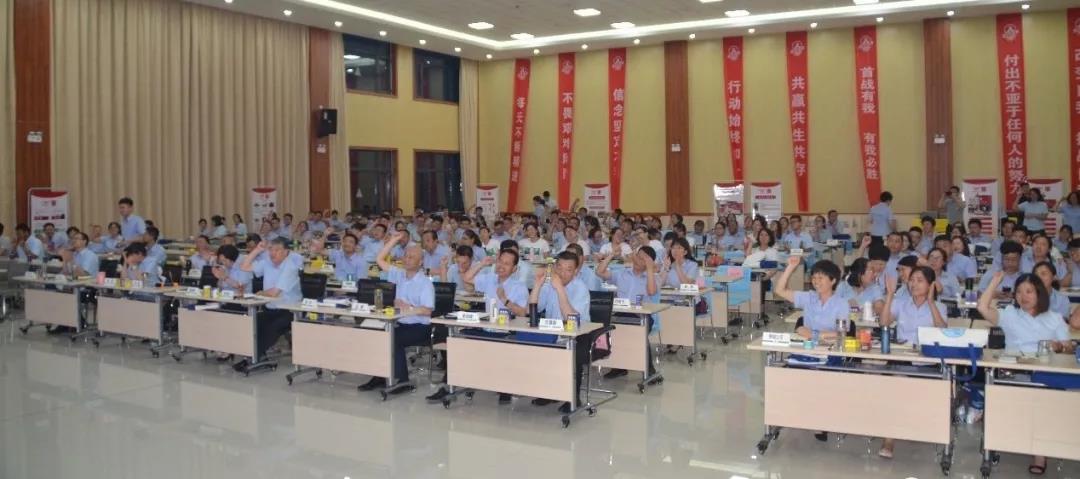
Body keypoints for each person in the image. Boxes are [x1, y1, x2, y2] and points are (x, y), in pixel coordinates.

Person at [975, 270, 1074, 475]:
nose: (1023, 296)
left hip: (1045, 375)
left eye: (1029, 291)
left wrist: (1059, 346)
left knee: (1045, 403)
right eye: (1019, 292)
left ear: (1039, 293)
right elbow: (982, 307)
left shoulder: (1054, 318)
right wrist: (994, 282)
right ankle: (999, 442)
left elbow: (1069, 348)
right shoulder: (1010, 314)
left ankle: (1040, 453)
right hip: (1014, 372)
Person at [427, 249, 531, 404]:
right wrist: (481, 264)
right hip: (487, 327)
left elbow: (523, 313)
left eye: (507, 264)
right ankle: (448, 386)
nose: (501, 266)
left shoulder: (519, 286)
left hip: (506, 332)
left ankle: (505, 388)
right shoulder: (490, 279)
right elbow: (467, 278)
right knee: (459, 345)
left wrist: (505, 300)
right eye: (500, 261)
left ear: (514, 268)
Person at [876, 265, 947, 458]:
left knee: (904, 390)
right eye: (912, 280)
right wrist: (890, 296)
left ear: (931, 285)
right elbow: (883, 323)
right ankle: (889, 439)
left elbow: (943, 331)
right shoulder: (901, 303)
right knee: (895, 389)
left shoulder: (939, 306)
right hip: (902, 358)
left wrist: (931, 303)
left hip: (928, 361)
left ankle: (914, 427)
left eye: (920, 280)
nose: (914, 284)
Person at [358, 232, 435, 395]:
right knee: (378, 335)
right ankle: (380, 376)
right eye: (406, 256)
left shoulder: (425, 283)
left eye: (412, 257)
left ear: (420, 262)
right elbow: (379, 260)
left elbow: (427, 310)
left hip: (420, 327)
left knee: (393, 338)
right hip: (399, 323)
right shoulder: (399, 274)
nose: (407, 259)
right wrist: (393, 240)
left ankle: (402, 380)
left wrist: (409, 308)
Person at [527, 251, 592, 414]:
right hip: (552, 333)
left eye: (568, 269)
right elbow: (532, 309)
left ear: (575, 271)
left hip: (578, 335)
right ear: (555, 267)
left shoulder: (580, 288)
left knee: (572, 352)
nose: (563, 273)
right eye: (560, 268)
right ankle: (550, 393)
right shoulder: (549, 285)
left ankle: (573, 398)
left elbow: (571, 320)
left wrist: (560, 289)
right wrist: (537, 284)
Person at [238, 238, 303, 372]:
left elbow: (274, 293)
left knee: (271, 328)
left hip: (288, 311)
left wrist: (260, 293)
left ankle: (254, 357)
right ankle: (254, 356)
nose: (273, 253)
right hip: (270, 308)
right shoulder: (267, 262)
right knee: (252, 323)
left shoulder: (290, 267)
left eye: (277, 250)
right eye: (270, 250)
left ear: (286, 252)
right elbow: (244, 267)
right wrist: (257, 250)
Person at [596, 247, 659, 380]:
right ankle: (618, 367)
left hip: (642, 316)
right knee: (610, 328)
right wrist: (611, 255)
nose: (637, 259)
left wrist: (650, 269)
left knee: (639, 333)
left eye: (643, 258)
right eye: (637, 256)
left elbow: (652, 291)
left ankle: (649, 370)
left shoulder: (652, 277)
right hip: (621, 314)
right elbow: (599, 272)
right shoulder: (622, 273)